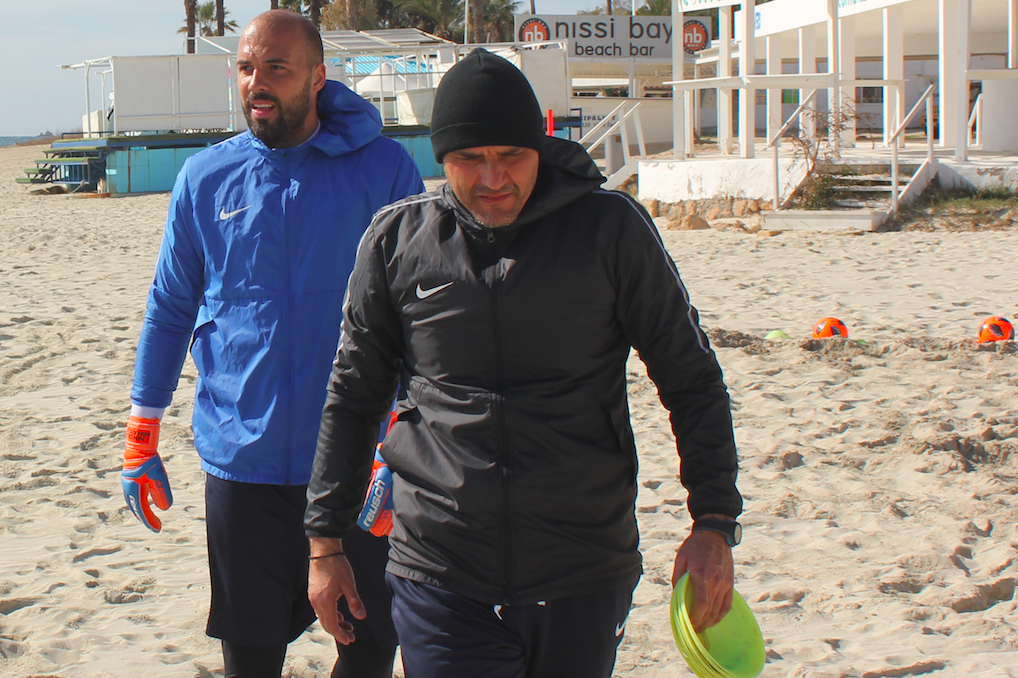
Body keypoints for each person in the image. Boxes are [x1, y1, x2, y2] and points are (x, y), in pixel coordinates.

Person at [304, 48, 743, 678]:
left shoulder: (611, 230)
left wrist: (714, 522)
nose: (493, 178)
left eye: (511, 155)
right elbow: (353, 395)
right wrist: (325, 542)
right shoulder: (398, 241)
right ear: (440, 158)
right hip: (440, 567)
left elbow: (691, 379)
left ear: (540, 146)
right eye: (468, 158)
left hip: (583, 565)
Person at [119, 10, 423, 678]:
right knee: (250, 658)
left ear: (317, 78)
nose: (256, 82)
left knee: (369, 652)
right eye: (246, 67)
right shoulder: (205, 178)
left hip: (360, 463)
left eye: (276, 68)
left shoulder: (385, 170)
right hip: (244, 465)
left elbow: (423, 315)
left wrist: (405, 437)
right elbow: (170, 309)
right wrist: (142, 432)